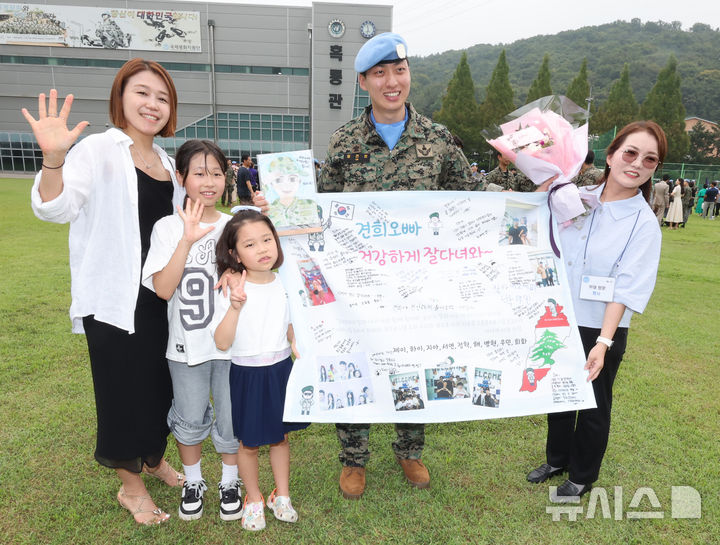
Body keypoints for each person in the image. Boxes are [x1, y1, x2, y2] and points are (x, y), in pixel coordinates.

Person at [252, 32, 478, 499]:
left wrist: (534, 180)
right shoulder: (345, 141)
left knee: (414, 360)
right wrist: (277, 205)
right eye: (380, 73)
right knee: (353, 359)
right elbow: (318, 205)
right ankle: (354, 459)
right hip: (358, 282)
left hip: (419, 280)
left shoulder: (437, 141)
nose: (392, 82)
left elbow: (474, 193)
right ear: (363, 81)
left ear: (409, 73)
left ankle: (409, 448)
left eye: (399, 70)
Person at [25, 58, 186, 525]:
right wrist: (54, 158)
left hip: (159, 296)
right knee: (122, 391)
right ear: (121, 97)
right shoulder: (97, 149)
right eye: (142, 92)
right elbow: (55, 208)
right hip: (113, 297)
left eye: (162, 96)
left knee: (160, 386)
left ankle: (153, 459)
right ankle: (130, 486)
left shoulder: (171, 166)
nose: (152, 104)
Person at [527, 120, 666, 502]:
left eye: (650, 160)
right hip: (559, 316)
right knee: (558, 393)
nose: (637, 164)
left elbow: (625, 286)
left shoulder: (643, 223)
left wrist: (603, 342)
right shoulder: (578, 196)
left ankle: (582, 474)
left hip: (601, 327)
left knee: (592, 403)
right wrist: (546, 183)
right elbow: (538, 229)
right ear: (611, 155)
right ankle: (556, 459)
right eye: (631, 153)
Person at [141, 140, 242, 522]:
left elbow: (265, 262)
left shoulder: (236, 224)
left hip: (232, 344)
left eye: (217, 172)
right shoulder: (167, 228)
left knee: (231, 417)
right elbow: (164, 289)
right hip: (186, 345)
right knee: (189, 417)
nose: (209, 181)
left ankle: (229, 481)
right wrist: (187, 238)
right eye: (199, 172)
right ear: (180, 178)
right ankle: (194, 481)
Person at [213, 210, 308, 531]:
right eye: (250, 244)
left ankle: (281, 494)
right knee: (249, 443)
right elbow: (222, 342)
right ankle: (253, 498)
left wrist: (296, 343)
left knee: (280, 438)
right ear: (234, 254)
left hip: (281, 370)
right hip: (246, 375)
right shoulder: (232, 287)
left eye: (267, 239)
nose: (263, 249)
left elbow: (291, 325)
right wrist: (236, 308)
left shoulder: (286, 282)